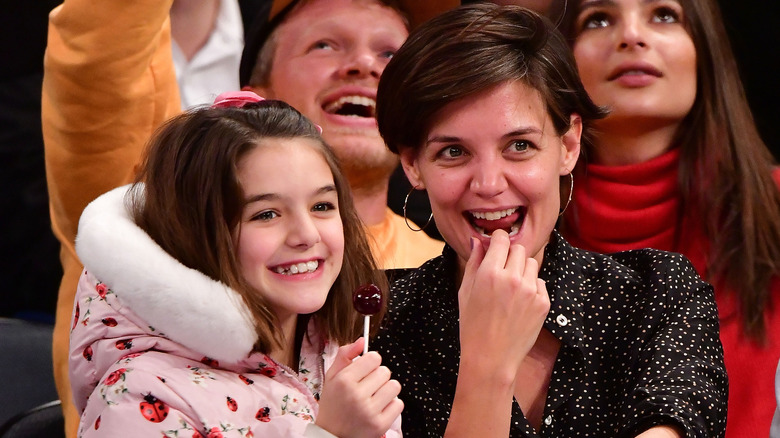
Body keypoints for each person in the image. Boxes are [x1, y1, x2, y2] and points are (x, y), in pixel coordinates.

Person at [42, 1, 448, 434]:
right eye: (325, 44)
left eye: (388, 54)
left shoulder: (352, 335)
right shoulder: (141, 380)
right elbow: (98, 56)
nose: (365, 66)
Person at [374, 4, 727, 437]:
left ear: (568, 145)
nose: (488, 184)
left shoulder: (656, 294)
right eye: (453, 152)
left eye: (519, 145)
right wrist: (487, 367)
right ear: (412, 165)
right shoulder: (373, 319)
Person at [69, 92, 403, 437]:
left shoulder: (340, 356)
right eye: (266, 214)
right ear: (196, 234)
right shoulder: (137, 393)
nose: (306, 234)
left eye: (321, 206)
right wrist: (332, 434)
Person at [557, 0, 780, 436]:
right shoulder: (509, 221)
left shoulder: (773, 206)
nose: (632, 36)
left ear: (705, 52)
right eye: (598, 19)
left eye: (664, 15)